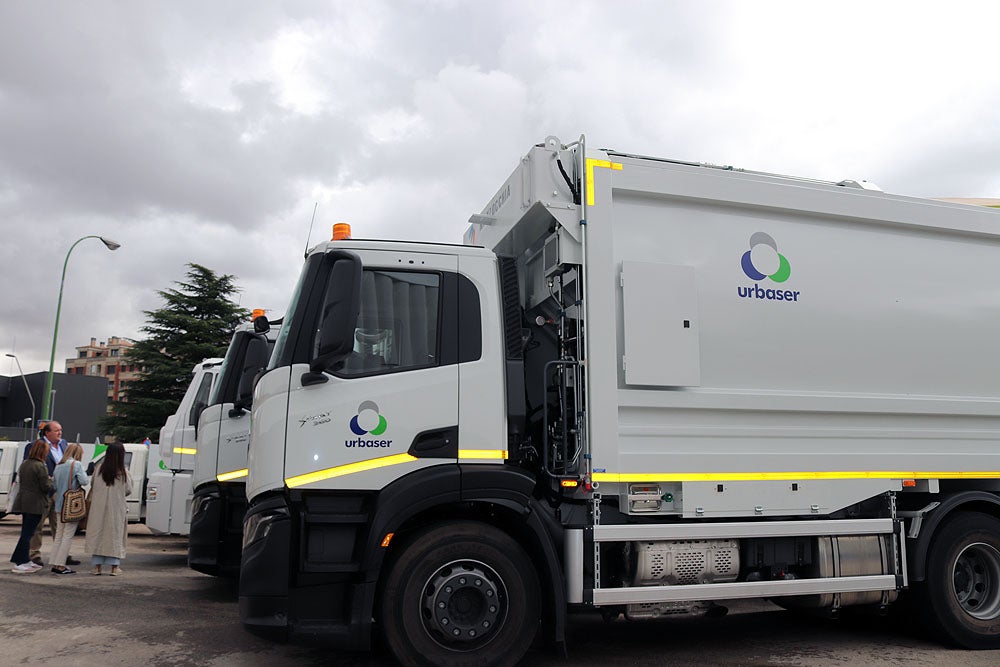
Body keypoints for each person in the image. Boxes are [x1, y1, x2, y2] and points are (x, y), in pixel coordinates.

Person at [23, 421, 79, 566]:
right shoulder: (35, 445)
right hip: (42, 492)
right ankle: (34, 554)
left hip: (60, 492)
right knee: (38, 525)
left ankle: (62, 555)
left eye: (61, 430)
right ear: (47, 432)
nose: (60, 433)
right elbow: (29, 466)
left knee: (60, 524)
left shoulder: (63, 444)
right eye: (56, 430)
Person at [85, 442, 131, 576]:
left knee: (98, 533)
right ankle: (114, 567)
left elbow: (93, 485)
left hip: (98, 507)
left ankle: (97, 567)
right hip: (116, 508)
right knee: (114, 535)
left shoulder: (98, 469)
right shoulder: (123, 472)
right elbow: (128, 490)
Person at [10, 440, 52, 573]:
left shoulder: (25, 464)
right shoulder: (41, 466)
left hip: (24, 501)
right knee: (28, 534)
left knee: (26, 532)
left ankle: (25, 559)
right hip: (36, 503)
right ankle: (20, 561)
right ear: (43, 452)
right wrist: (52, 482)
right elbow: (45, 486)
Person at [50, 443, 89, 575]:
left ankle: (54, 562)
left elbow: (54, 486)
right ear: (78, 453)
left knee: (59, 535)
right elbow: (84, 481)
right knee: (68, 536)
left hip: (59, 504)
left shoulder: (58, 466)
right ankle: (61, 565)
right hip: (71, 505)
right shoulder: (76, 465)